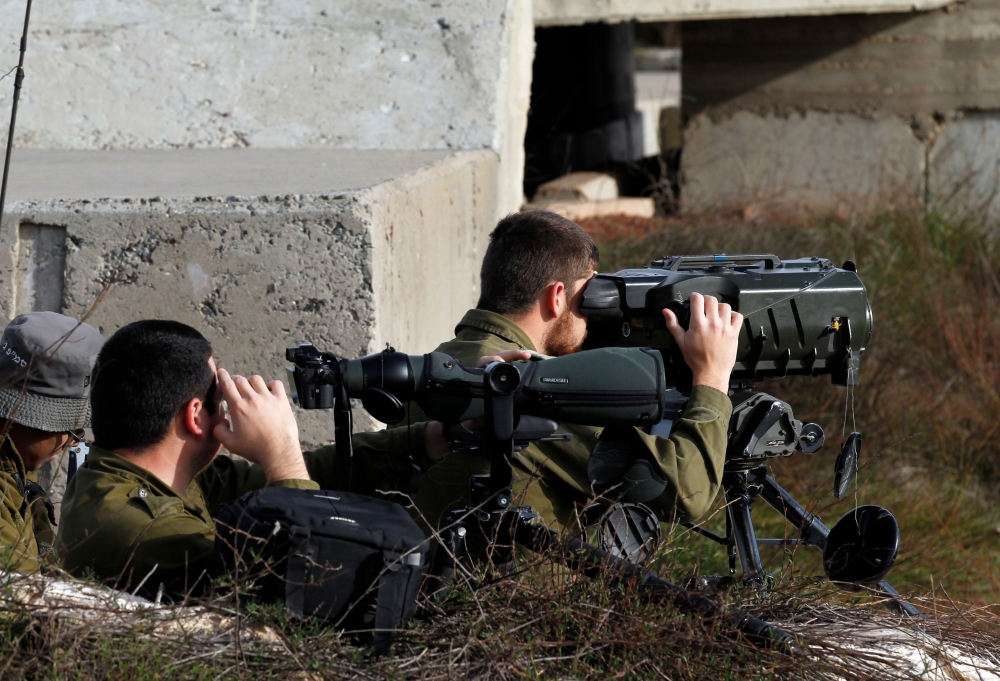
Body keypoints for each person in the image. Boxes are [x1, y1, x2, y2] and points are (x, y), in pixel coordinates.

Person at [400, 209, 742, 541]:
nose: (590, 317)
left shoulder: (431, 367)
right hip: (513, 581)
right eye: (587, 297)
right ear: (556, 297)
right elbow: (687, 493)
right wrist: (711, 376)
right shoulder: (534, 386)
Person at [56, 320, 442, 598]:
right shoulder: (149, 529)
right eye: (220, 400)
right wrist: (281, 452)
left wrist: (428, 439)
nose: (227, 412)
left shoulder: (147, 474)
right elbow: (302, 583)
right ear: (195, 417)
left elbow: (300, 475)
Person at [0, 312, 104, 573]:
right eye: (70, 429)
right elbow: (21, 592)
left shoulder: (17, 468)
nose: (73, 443)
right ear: (17, 418)